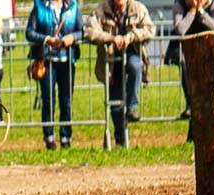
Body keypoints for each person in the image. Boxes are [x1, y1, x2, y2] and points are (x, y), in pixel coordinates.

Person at [84, 0, 152, 148]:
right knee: (115, 100)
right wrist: (110, 38)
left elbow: (149, 29)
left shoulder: (138, 9)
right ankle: (120, 139)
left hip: (132, 52)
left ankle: (132, 105)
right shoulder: (102, 9)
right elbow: (89, 31)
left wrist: (130, 37)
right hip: (110, 60)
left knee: (135, 66)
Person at [26, 0, 82, 149]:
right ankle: (49, 136)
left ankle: (66, 136)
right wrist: (47, 39)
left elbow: (83, 31)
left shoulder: (73, 6)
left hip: (67, 60)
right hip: (46, 60)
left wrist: (72, 37)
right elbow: (29, 32)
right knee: (48, 99)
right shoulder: (39, 6)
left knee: (66, 99)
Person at [169, 0, 214, 120]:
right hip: (182, 49)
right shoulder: (179, 5)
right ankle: (191, 103)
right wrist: (192, 11)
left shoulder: (213, 5)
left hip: (206, 49)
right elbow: (180, 30)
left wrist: (201, 12)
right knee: (185, 67)